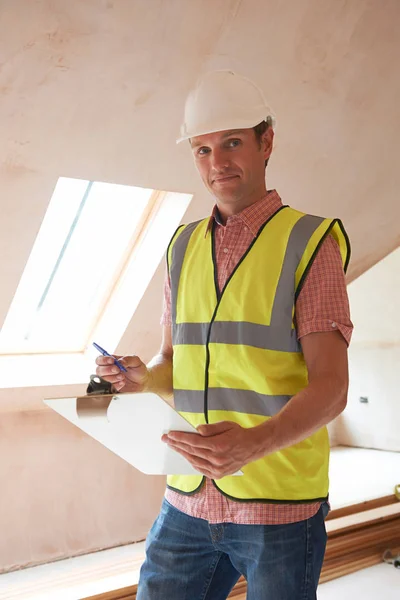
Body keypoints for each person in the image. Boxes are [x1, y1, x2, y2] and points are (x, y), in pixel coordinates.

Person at [96, 70, 353, 600]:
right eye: (202, 149)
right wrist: (144, 376)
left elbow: (332, 387)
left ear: (267, 142)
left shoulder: (310, 243)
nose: (218, 164)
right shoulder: (181, 246)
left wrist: (254, 445)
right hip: (187, 500)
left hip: (278, 506)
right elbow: (174, 362)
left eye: (232, 142)